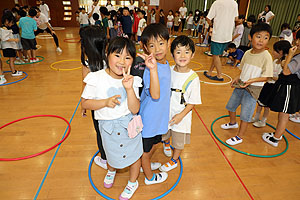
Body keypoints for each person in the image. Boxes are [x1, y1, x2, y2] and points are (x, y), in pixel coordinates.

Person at [81, 37, 143, 200]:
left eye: (127, 57)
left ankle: (132, 181)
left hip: (129, 125)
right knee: (109, 152)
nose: (122, 61)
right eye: (117, 55)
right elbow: (85, 103)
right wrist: (104, 102)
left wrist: (129, 89)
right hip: (107, 127)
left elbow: (135, 109)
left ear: (132, 61)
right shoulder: (96, 78)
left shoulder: (133, 80)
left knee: (135, 154)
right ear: (107, 54)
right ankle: (111, 170)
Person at [221, 23, 273, 146]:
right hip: (241, 84)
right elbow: (243, 70)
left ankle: (239, 136)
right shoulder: (248, 53)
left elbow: (267, 77)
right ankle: (233, 123)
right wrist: (236, 78)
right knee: (231, 106)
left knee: (245, 114)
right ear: (250, 37)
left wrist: (251, 81)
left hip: (253, 89)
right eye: (258, 36)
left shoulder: (266, 56)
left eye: (266, 38)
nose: (261, 40)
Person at [160, 35, 201, 172]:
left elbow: (192, 102)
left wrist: (180, 116)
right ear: (172, 54)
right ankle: (166, 144)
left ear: (193, 55)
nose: (182, 55)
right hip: (166, 112)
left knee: (178, 140)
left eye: (187, 52)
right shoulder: (168, 70)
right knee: (165, 133)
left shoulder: (193, 78)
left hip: (181, 116)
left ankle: (174, 160)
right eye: (178, 52)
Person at [139, 23, 171, 185]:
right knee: (145, 152)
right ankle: (149, 177)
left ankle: (144, 165)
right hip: (149, 119)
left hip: (158, 117)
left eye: (161, 43)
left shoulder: (166, 65)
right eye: (152, 45)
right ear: (145, 48)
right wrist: (152, 70)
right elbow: (155, 94)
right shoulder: (150, 68)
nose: (157, 48)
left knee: (153, 146)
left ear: (168, 43)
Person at [260, 31, 300, 147]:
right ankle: (277, 134)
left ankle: (275, 139)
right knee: (283, 112)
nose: (297, 42)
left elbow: (286, 71)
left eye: (298, 40)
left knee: (284, 113)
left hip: (290, 87)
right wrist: (287, 60)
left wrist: (290, 57)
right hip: (288, 86)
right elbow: (284, 64)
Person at [79, 25, 108, 170]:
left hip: (96, 106)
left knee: (100, 132)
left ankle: (105, 159)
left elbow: (85, 86)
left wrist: (83, 104)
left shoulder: (87, 64)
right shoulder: (111, 59)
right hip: (112, 103)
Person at [252, 40, 291, 128]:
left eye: (274, 50)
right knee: (260, 102)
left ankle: (263, 121)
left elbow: (280, 79)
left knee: (266, 105)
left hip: (273, 87)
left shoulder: (283, 65)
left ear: (281, 52)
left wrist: (270, 76)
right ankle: (256, 117)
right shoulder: (274, 61)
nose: (272, 52)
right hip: (267, 85)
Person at [203, 0, 238, 81]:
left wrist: (212, 25)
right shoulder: (234, 3)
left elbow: (208, 18)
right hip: (227, 35)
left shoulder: (217, 2)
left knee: (215, 55)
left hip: (218, 34)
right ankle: (209, 72)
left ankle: (219, 76)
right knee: (216, 55)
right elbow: (236, 18)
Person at [0, 13, 23, 79]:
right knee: (12, 60)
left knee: (13, 59)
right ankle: (13, 72)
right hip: (8, 47)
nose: (12, 24)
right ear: (7, 21)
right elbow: (4, 38)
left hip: (10, 46)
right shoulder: (3, 29)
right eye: (11, 22)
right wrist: (14, 39)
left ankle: (14, 71)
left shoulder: (5, 28)